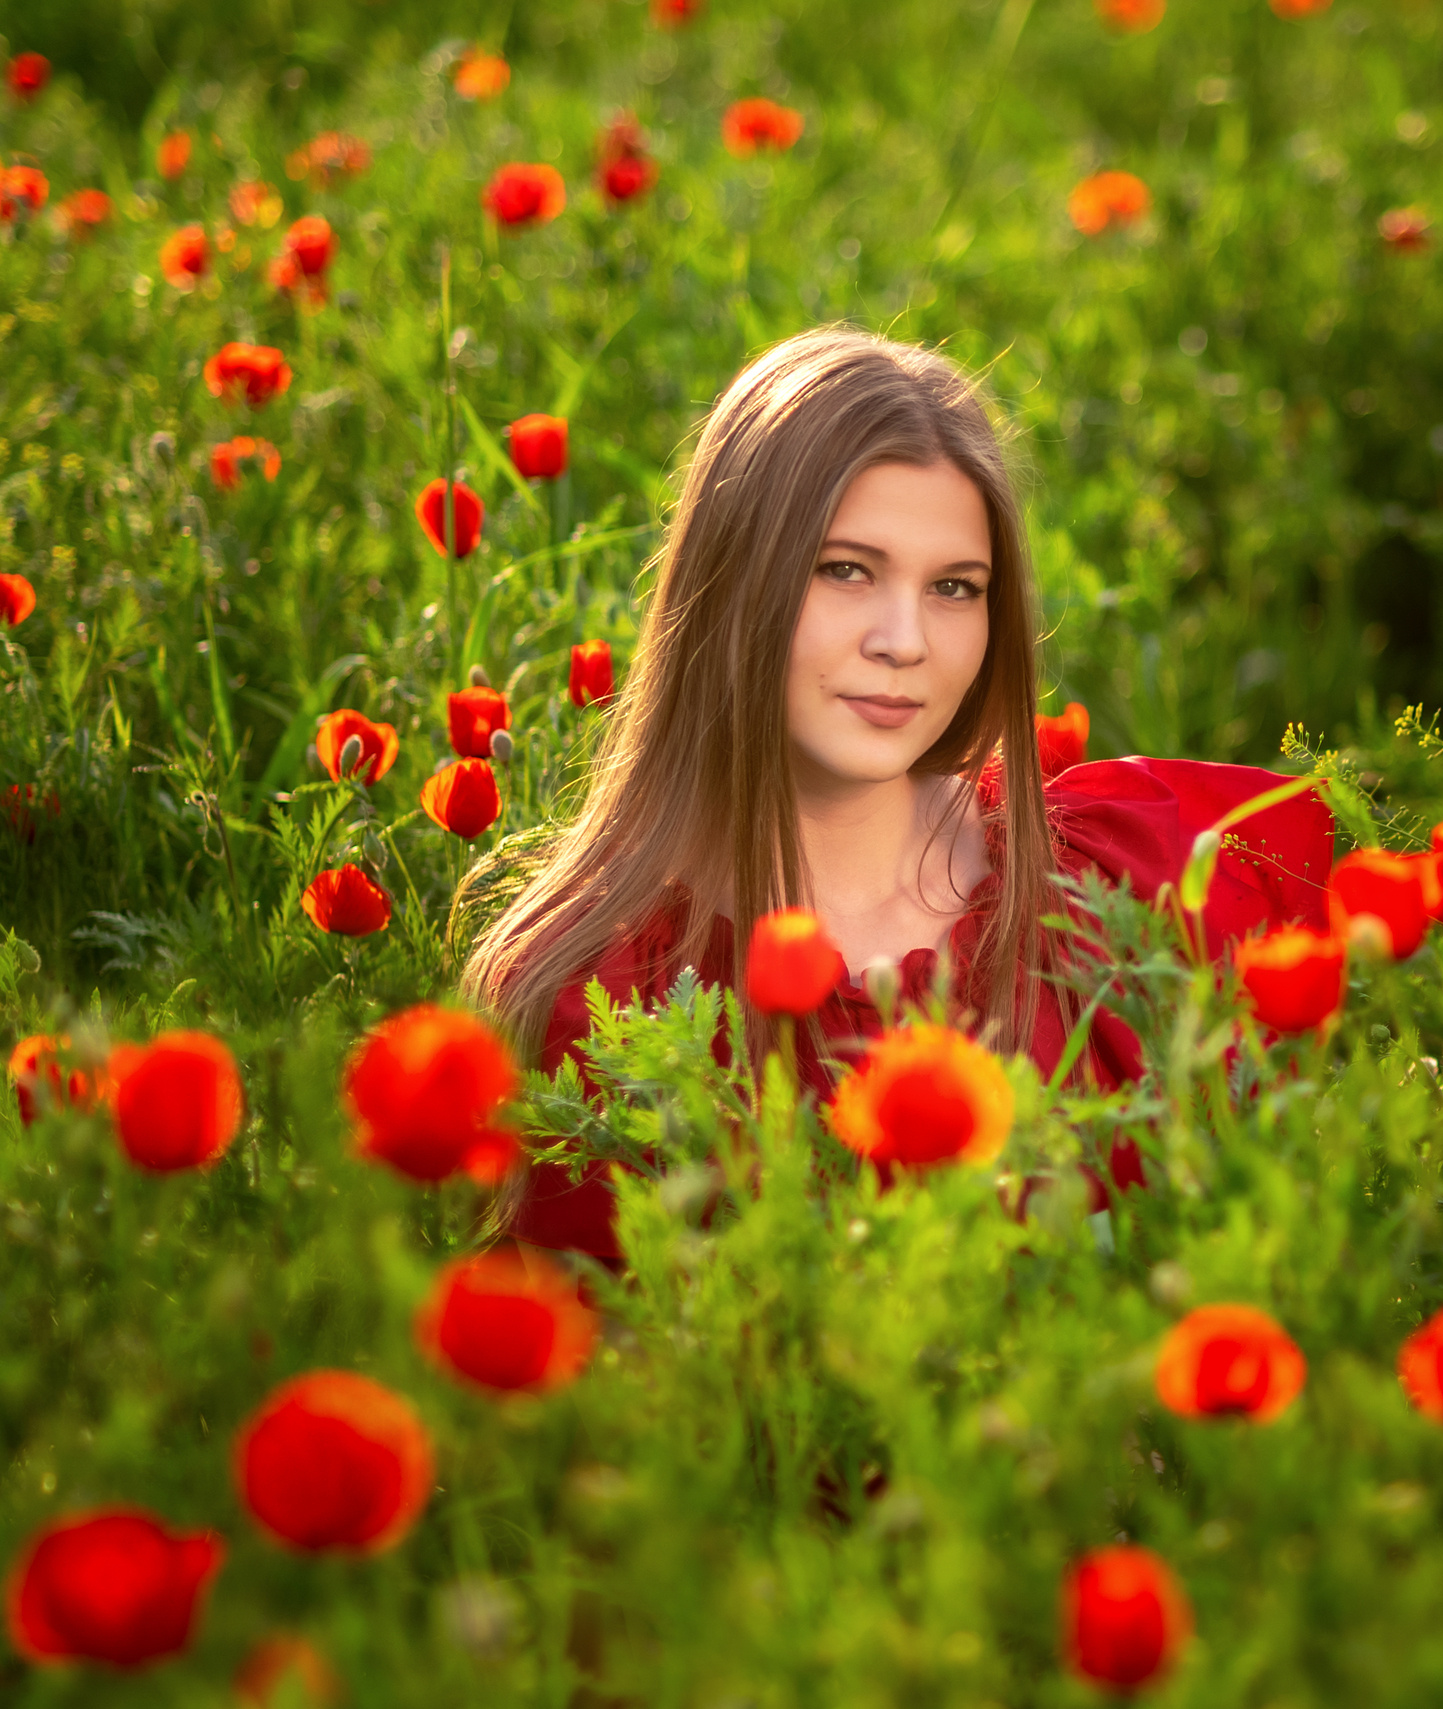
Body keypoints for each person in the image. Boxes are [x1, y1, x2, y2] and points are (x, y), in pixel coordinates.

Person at [462, 328, 1334, 1263]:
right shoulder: (598, 995)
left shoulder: (1131, 877)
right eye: (846, 569)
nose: (905, 639)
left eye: (956, 587)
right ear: (732, 581)